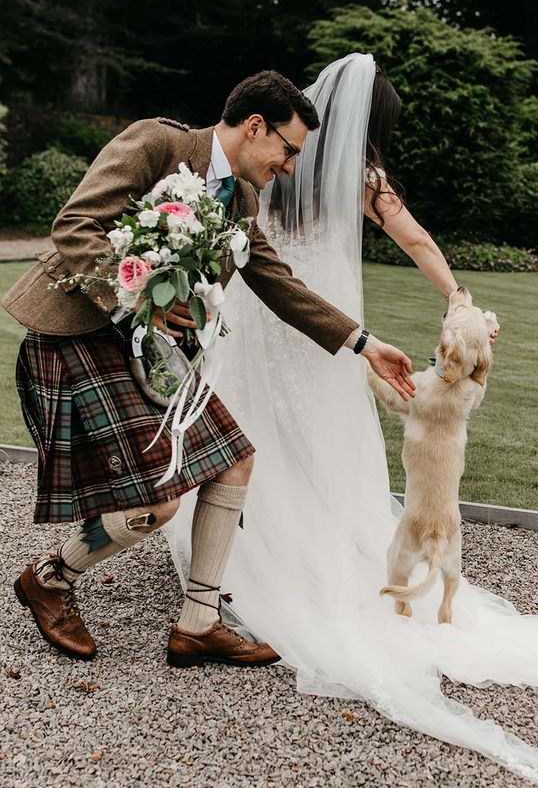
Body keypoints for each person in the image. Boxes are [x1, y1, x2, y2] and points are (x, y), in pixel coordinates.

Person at [164, 53, 538, 786]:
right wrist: (458, 297)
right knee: (319, 443)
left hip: (262, 315)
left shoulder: (266, 166)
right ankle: (284, 559)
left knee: (249, 435)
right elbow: (414, 239)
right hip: (325, 323)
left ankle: (231, 565)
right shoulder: (363, 178)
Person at [3, 70, 415, 671]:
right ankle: (50, 578)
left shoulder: (242, 200)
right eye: (289, 150)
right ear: (255, 126)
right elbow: (74, 228)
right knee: (159, 504)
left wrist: (363, 343)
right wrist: (141, 294)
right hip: (80, 332)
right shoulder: (157, 145)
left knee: (235, 458)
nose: (292, 167)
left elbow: (276, 281)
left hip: (152, 352)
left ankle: (199, 624)